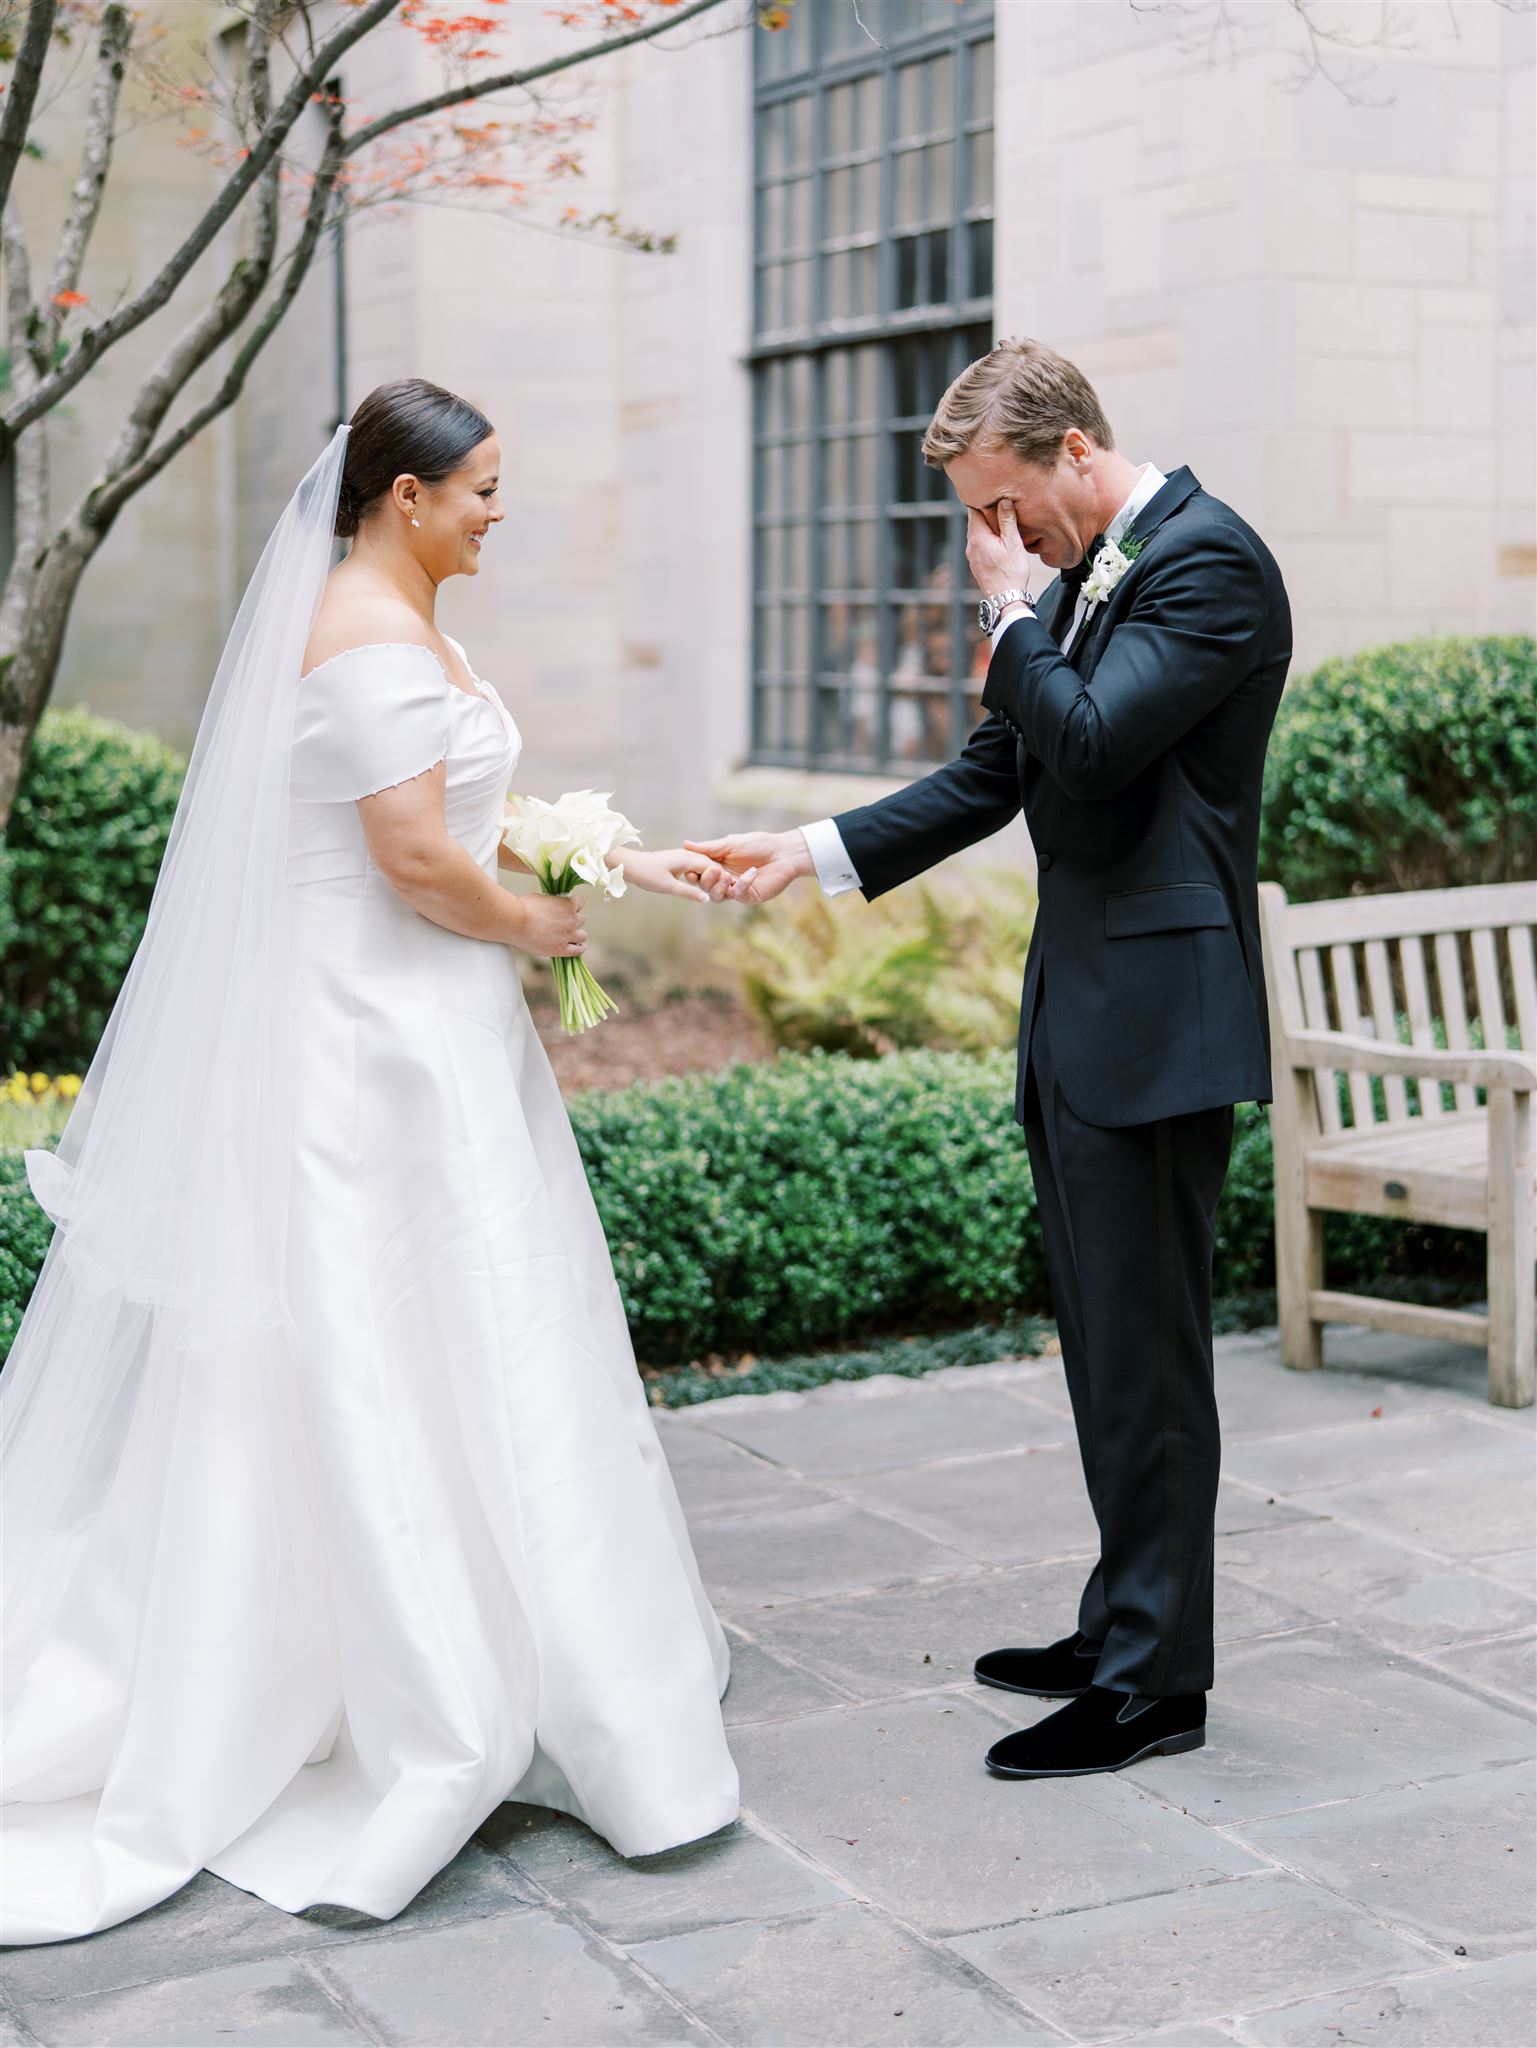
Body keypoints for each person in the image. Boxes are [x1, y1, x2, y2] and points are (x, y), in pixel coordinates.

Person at [0, 378, 739, 1946]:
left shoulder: (388, 620)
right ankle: (422, 1689)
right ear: (400, 498)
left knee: (472, 1336)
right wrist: (533, 925)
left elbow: (458, 808)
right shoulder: (366, 636)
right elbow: (412, 861)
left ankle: (527, 1645)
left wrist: (617, 859)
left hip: (428, 1033)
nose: (495, 510)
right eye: (478, 487)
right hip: (376, 1049)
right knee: (398, 1335)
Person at [687, 335, 1292, 1782]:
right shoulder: (1087, 572)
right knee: (1101, 1342)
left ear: (1074, 451)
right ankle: (1118, 1622)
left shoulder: (1209, 567)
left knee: (1148, 1356)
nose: (996, 538)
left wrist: (1014, 617)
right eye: (982, 518)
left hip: (1156, 1021)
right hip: (1080, 1011)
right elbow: (996, 773)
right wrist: (811, 851)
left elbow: (1080, 746)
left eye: (1007, 504)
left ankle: (1155, 1685)